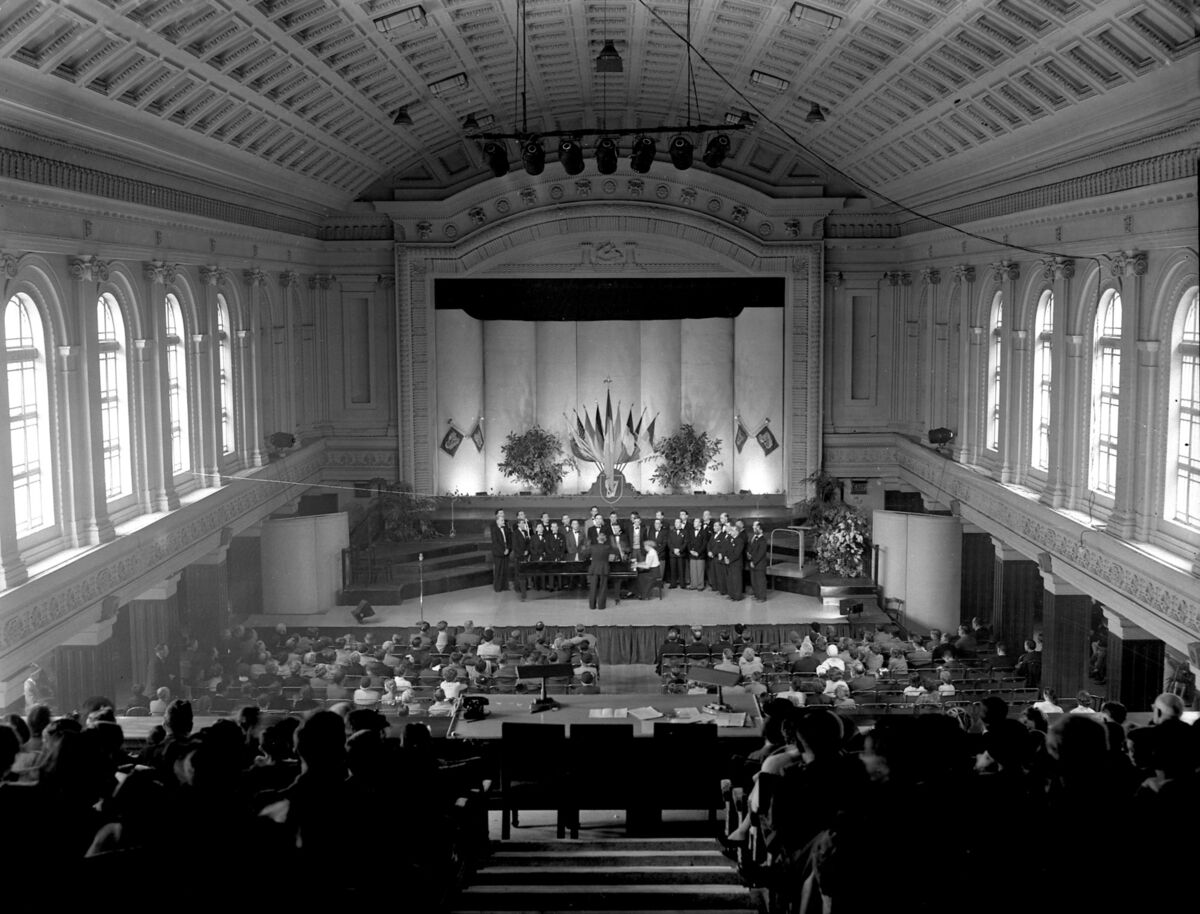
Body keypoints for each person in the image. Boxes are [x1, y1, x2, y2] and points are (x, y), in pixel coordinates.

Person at [587, 532, 618, 610]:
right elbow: (616, 553)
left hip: (594, 569)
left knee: (593, 587)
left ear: (597, 539)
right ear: (605, 539)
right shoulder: (607, 547)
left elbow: (584, 554)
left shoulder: (592, 547)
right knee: (603, 588)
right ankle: (601, 606)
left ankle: (592, 606)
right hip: (604, 569)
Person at [489, 509, 511, 592]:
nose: (503, 522)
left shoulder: (505, 528)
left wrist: (508, 549)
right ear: (497, 521)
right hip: (498, 553)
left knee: (505, 570)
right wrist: (503, 551)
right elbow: (496, 542)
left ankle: (505, 586)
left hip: (506, 552)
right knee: (498, 570)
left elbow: (509, 539)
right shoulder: (494, 529)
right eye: (502, 521)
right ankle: (498, 587)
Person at [746, 521, 768, 602]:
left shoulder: (763, 540)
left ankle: (762, 597)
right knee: (754, 581)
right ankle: (756, 595)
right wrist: (748, 554)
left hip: (759, 564)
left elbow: (760, 554)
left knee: (760, 581)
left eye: (756, 527)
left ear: (761, 530)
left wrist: (754, 562)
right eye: (754, 527)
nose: (754, 528)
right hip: (752, 563)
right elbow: (751, 548)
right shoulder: (754, 538)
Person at [724, 522, 745, 602]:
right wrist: (725, 557)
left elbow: (737, 553)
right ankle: (731, 594)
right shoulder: (730, 539)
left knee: (736, 580)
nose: (730, 532)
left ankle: (737, 596)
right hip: (729, 562)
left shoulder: (740, 541)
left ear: (736, 531)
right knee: (730, 579)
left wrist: (730, 559)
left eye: (732, 530)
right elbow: (726, 549)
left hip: (736, 563)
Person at [687, 517, 708, 591]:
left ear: (700, 523)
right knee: (693, 570)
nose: (694, 523)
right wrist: (690, 551)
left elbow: (704, 544)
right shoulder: (691, 531)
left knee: (700, 571)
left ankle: (700, 586)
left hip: (700, 555)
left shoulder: (704, 532)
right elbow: (688, 542)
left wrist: (698, 552)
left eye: (696, 521)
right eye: (694, 521)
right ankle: (693, 585)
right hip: (692, 554)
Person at [667, 518, 687, 588]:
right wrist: (674, 550)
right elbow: (669, 542)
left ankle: (682, 584)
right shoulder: (671, 531)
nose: (676, 523)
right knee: (673, 570)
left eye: (678, 522)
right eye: (675, 522)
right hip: (672, 554)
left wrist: (679, 550)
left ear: (681, 523)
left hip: (681, 554)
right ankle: (673, 584)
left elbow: (685, 542)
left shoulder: (685, 532)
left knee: (681, 569)